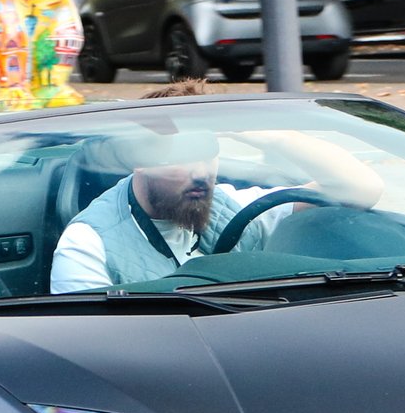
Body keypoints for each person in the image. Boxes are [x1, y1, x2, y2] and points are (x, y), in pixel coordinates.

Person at [49, 125, 384, 293]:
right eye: (179, 157)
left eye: (208, 152)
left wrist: (275, 137)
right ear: (141, 163)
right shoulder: (88, 244)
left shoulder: (233, 204)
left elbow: (360, 189)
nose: (201, 173)